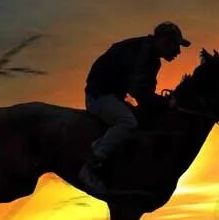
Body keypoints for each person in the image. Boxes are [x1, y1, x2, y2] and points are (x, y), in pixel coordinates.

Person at [77, 21, 191, 191]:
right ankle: (91, 165)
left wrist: (160, 103)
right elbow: (139, 91)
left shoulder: (150, 56)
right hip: (99, 97)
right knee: (127, 122)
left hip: (112, 96)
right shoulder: (142, 54)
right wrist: (166, 102)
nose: (178, 52)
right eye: (175, 45)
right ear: (164, 41)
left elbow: (145, 94)